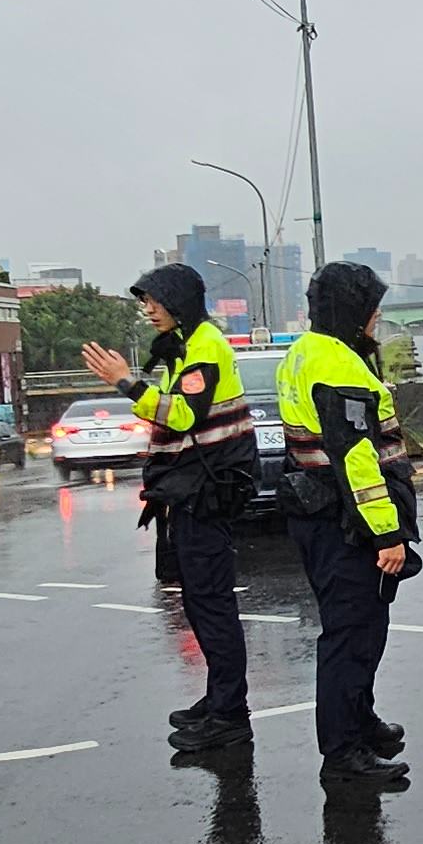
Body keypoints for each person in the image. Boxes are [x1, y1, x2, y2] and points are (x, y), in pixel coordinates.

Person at [83, 263, 255, 755]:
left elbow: (181, 415)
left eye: (154, 301)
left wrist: (125, 383)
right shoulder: (188, 346)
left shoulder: (205, 347)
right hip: (189, 492)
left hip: (207, 492)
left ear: (178, 300)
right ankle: (219, 700)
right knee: (199, 603)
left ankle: (230, 715)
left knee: (213, 605)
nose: (148, 310)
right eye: (144, 301)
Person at [276, 261, 419, 789]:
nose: (377, 318)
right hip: (347, 523)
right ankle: (343, 755)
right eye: (371, 309)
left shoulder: (305, 351)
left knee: (363, 628)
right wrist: (387, 533)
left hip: (319, 514)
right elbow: (357, 457)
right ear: (352, 312)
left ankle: (360, 722)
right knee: (351, 636)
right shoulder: (338, 365)